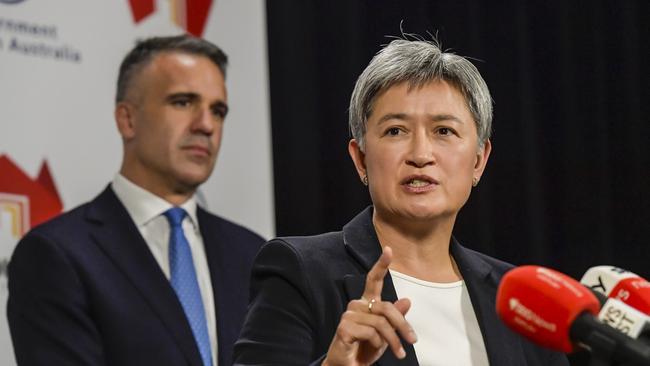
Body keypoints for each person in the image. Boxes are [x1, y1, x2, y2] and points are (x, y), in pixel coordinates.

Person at [233, 39, 569, 365]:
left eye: (444, 131)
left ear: (479, 160)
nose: (420, 155)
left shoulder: (518, 300)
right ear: (361, 159)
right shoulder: (300, 272)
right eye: (395, 131)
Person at [7, 35, 265, 366]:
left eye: (218, 110)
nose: (206, 125)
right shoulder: (56, 254)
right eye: (183, 102)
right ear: (127, 119)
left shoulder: (251, 252)